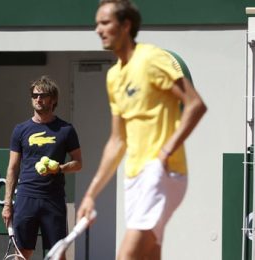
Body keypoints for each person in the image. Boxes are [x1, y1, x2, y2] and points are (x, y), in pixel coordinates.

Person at [76, 0, 207, 259]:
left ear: (125, 26)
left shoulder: (152, 59)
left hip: (161, 173)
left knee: (126, 256)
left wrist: (165, 152)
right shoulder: (113, 77)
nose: (98, 30)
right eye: (96, 24)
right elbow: (116, 140)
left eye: (105, 23)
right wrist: (91, 194)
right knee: (150, 255)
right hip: (134, 179)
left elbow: (195, 105)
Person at [2, 75, 82, 260]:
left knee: (58, 255)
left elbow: (78, 163)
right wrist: (7, 204)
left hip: (53, 200)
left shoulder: (66, 130)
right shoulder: (20, 130)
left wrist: (59, 168)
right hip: (26, 198)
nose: (38, 99)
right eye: (34, 95)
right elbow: (12, 168)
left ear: (53, 100)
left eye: (43, 95)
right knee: (22, 255)